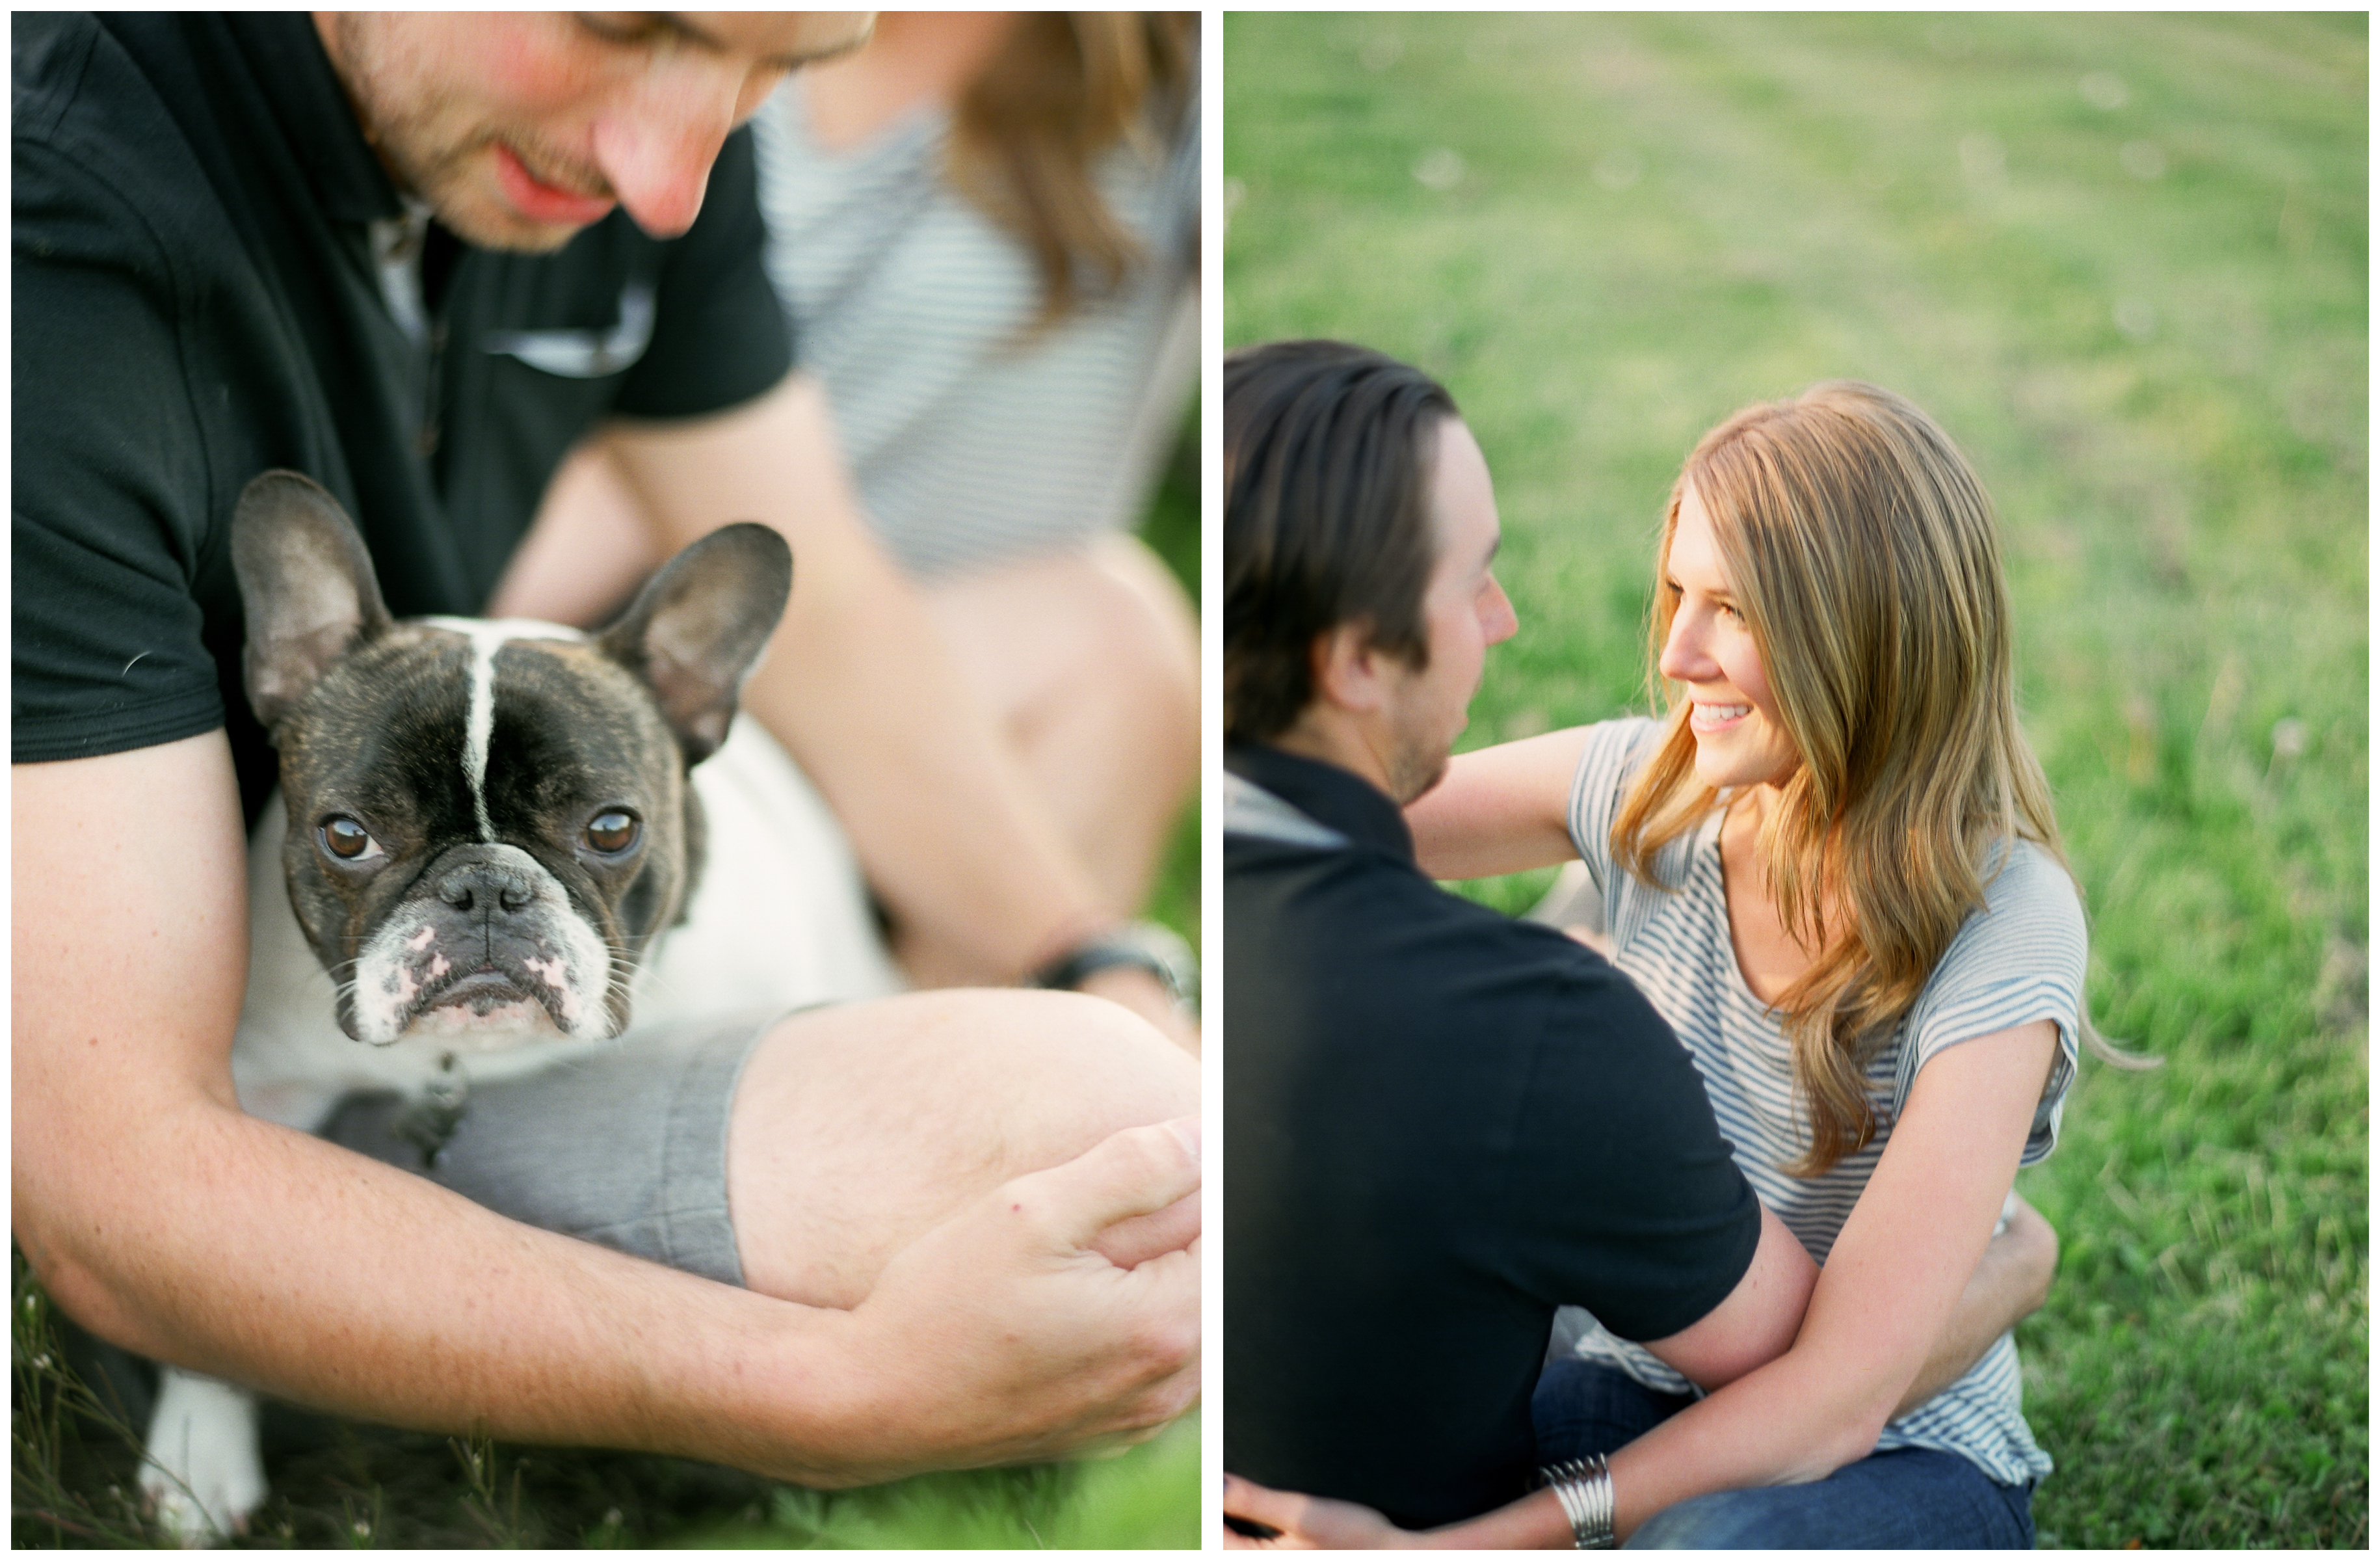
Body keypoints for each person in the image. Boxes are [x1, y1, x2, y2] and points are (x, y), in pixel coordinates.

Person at [12, 10, 1197, 1523]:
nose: (673, 180)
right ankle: (415, 1404)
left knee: (1105, 642)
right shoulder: (46, 233)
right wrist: (828, 1393)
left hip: (508, 923)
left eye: (780, 71)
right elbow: (110, 1181)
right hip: (225, 1078)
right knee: (1089, 1132)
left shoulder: (646, 154)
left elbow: (816, 577)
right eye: (626, 24)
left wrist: (1095, 955)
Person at [1219, 342, 2058, 1543]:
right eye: (1680, 596)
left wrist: (1470, 1547)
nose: (1675, 655)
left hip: (1892, 1444)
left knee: (1707, 1544)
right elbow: (1327, 803)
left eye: (1735, 612)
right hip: (1639, 1383)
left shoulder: (2006, 921)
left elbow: (1837, 1399)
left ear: (1866, 635)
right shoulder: (1651, 784)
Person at [496, 11, 1200, 948]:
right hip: (650, 648)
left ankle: (1015, 1050)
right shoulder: (691, 60)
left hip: (946, 669)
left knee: (1112, 641)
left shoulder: (1173, 95)